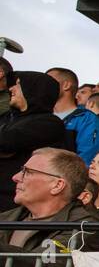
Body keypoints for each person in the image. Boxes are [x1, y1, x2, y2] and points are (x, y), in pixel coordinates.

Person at [0, 72, 69, 210]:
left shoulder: (50, 123)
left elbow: (6, 142)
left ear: (32, 90)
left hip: (15, 202)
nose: (11, 89)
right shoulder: (6, 119)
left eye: (18, 85)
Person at [46, 67, 99, 163]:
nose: (42, 85)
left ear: (66, 85)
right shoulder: (40, 115)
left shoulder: (87, 119)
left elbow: (86, 159)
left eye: (48, 80)